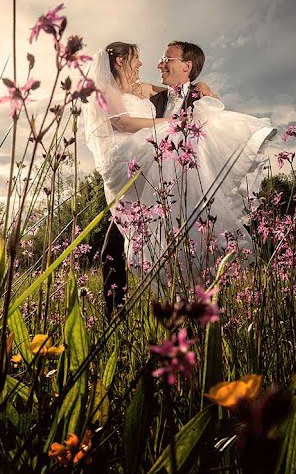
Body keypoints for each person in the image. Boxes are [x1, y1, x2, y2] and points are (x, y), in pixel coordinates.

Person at [84, 41, 275, 316]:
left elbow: (214, 131)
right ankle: (115, 316)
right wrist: (175, 122)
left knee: (192, 250)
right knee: (114, 247)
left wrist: (201, 91)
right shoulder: (145, 94)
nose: (156, 63)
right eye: (147, 58)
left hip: (186, 187)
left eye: (167, 59)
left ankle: (203, 311)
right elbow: (125, 116)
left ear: (187, 66)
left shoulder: (196, 98)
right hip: (142, 178)